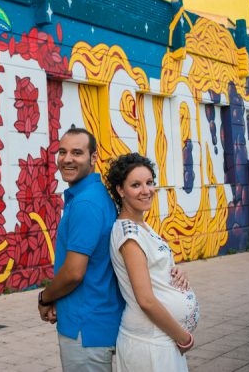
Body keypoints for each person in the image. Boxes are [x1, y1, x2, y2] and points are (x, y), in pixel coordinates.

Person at [37, 127, 189, 371]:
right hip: (98, 320)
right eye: (62, 152)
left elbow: (74, 272)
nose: (67, 159)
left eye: (77, 152)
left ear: (94, 158)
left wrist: (45, 297)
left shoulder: (86, 203)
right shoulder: (97, 194)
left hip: (85, 327)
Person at [106, 153, 200, 371]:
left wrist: (174, 273)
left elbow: (153, 268)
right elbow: (145, 300)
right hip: (151, 344)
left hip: (160, 340)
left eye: (149, 182)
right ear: (120, 190)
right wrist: (183, 338)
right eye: (136, 185)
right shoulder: (129, 235)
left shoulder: (142, 226)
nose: (146, 190)